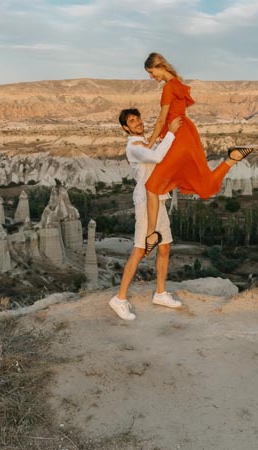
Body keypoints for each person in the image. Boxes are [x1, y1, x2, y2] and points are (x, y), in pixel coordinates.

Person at [141, 52, 255, 256]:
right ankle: (232, 159)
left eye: (151, 72)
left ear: (159, 67)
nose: (151, 77)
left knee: (151, 187)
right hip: (187, 135)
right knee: (202, 184)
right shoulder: (178, 84)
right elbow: (176, 115)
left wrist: (149, 143)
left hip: (178, 140)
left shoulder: (168, 87)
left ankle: (151, 235)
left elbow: (161, 120)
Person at [108, 108, 183, 321]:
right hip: (144, 201)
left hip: (158, 198)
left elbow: (157, 150)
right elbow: (157, 157)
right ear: (125, 127)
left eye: (138, 118)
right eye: (132, 120)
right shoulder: (133, 147)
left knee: (165, 246)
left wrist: (163, 133)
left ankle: (160, 293)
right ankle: (120, 298)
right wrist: (170, 132)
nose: (138, 122)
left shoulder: (144, 142)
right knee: (140, 250)